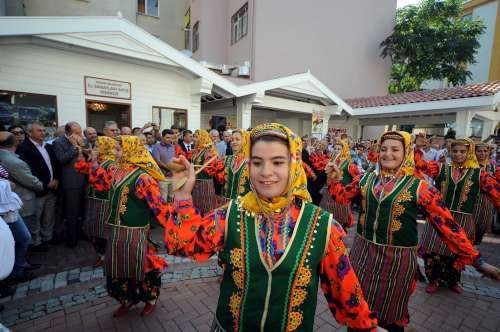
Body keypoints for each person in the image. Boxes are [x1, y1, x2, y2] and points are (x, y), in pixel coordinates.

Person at [162, 123, 379, 331]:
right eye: (257, 162)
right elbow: (182, 244)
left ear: (293, 164)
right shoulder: (230, 213)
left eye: (277, 162)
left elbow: (345, 291)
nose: (266, 171)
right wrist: (182, 193)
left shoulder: (320, 226)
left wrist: (368, 327)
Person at [328, 131, 500, 331]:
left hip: (397, 260)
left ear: (406, 152)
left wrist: (477, 261)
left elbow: (447, 226)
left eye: (395, 149)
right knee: (357, 306)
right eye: (383, 149)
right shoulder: (365, 180)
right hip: (362, 254)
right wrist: (333, 180)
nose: (388, 154)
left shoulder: (420, 188)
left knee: (391, 313)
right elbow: (341, 196)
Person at [88, 136, 167, 317]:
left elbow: (159, 206)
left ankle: (150, 298)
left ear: (131, 151)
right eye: (115, 149)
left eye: (119, 149)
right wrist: (94, 161)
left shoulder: (143, 178)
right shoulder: (116, 170)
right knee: (117, 267)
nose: (115, 152)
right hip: (116, 230)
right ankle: (127, 298)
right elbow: (98, 184)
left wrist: (175, 224)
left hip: (135, 231)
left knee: (140, 266)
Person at [418, 138, 500, 294]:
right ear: (450, 152)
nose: (458, 154)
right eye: (455, 151)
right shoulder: (441, 168)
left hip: (463, 219)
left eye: (462, 151)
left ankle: (453, 281)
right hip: (439, 218)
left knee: (456, 253)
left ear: (469, 153)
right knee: (434, 251)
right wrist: (416, 148)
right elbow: (419, 165)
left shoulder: (479, 175)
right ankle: (434, 280)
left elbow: (496, 192)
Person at [16, 122, 60, 248]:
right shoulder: (24, 148)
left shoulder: (48, 146)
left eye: (43, 130)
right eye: (39, 130)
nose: (43, 132)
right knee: (36, 217)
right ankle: (36, 242)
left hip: (53, 188)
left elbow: (55, 164)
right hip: (38, 190)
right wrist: (46, 183)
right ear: (30, 133)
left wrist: (56, 179)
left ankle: (48, 238)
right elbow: (27, 171)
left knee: (49, 217)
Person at [75, 136, 116, 267]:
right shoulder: (99, 160)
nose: (94, 148)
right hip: (94, 199)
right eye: (95, 146)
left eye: (98, 146)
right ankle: (103, 254)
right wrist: (82, 153)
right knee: (91, 228)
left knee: (102, 230)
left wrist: (93, 163)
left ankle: (106, 256)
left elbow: (103, 183)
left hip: (104, 202)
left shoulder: (111, 163)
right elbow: (81, 168)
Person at [52, 122, 87, 248]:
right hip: (70, 183)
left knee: (82, 211)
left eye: (80, 132)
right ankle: (72, 239)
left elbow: (87, 158)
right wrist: (74, 147)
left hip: (84, 180)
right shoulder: (59, 142)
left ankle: (81, 233)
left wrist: (84, 148)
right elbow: (62, 159)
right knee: (71, 212)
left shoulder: (83, 140)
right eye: (77, 133)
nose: (80, 135)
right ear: (68, 133)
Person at [0, 165, 34, 284]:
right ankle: (11, 275)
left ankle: (16, 271)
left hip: (9, 206)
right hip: (3, 208)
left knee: (23, 237)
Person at [319, 139, 360, 230]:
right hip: (329, 193)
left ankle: (341, 233)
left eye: (339, 148)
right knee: (328, 214)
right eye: (335, 148)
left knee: (342, 217)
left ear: (344, 150)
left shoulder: (349, 164)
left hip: (342, 194)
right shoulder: (331, 161)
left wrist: (349, 191)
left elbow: (356, 178)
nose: (337, 150)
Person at [190, 129, 224, 215]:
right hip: (195, 184)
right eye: (194, 136)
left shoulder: (208, 153)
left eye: (196, 137)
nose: (194, 139)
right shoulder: (196, 152)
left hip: (205, 184)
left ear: (202, 138)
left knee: (207, 207)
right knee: (196, 206)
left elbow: (211, 170)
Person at [220, 130, 250, 201]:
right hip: (225, 203)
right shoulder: (227, 159)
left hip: (243, 206)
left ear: (244, 141)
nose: (234, 142)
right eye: (232, 139)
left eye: (237, 139)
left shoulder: (251, 162)